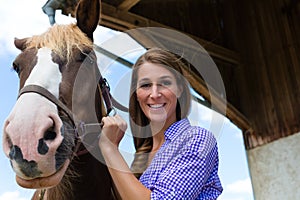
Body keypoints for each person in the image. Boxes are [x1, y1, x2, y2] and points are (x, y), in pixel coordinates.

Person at [99, 48, 223, 199]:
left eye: (165, 83)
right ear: (136, 94)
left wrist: (110, 148)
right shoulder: (143, 155)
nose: (155, 94)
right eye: (145, 85)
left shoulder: (197, 139)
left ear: (180, 89)